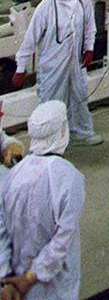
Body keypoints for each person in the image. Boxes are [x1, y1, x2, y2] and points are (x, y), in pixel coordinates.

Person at [0, 100, 85, 300]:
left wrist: (6, 279)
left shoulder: (14, 174)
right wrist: (30, 277)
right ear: (63, 131)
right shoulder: (69, 178)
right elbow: (63, 240)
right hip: (48, 280)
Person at [11, 0, 101, 147]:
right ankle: (47, 142)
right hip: (52, 63)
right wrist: (20, 68)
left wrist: (89, 48)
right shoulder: (47, 7)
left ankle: (81, 133)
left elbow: (90, 25)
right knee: (51, 100)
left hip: (76, 60)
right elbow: (30, 39)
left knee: (79, 95)